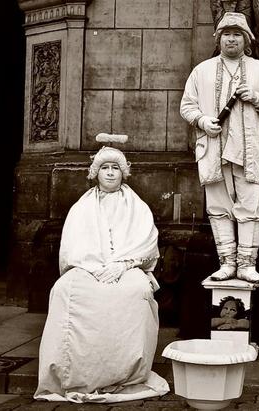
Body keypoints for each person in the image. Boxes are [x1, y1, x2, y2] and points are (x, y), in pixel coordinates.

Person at [34, 142, 169, 403]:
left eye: (115, 168)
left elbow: (147, 241)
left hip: (127, 265)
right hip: (88, 266)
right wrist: (94, 267)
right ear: (96, 173)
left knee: (137, 290)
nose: (109, 173)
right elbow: (73, 244)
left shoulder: (137, 206)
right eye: (104, 167)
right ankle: (70, 375)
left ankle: (126, 373)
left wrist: (123, 264)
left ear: (123, 173)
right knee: (64, 290)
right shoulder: (81, 207)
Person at [180, 11, 259, 283]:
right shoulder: (201, 70)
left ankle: (247, 265)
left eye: (237, 34)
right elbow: (186, 106)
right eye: (226, 34)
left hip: (248, 151)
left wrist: (257, 99)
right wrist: (203, 121)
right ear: (218, 38)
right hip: (213, 149)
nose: (231, 39)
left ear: (246, 39)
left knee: (251, 206)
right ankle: (226, 263)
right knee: (218, 207)